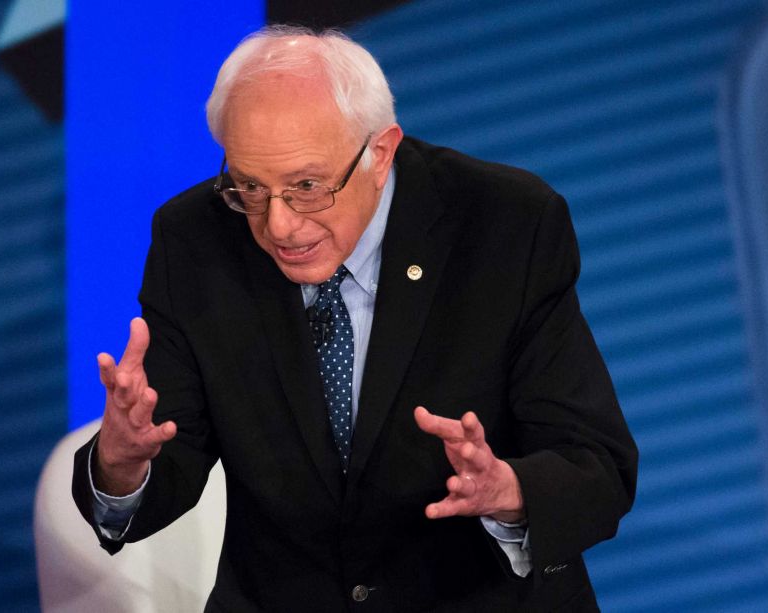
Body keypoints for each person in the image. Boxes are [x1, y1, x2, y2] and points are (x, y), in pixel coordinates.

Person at [72, 25, 637, 612]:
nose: (279, 226)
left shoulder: (506, 226)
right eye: (250, 187)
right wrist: (121, 461)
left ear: (381, 152)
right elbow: (171, 462)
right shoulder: (193, 241)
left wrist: (509, 492)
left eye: (308, 186)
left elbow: (597, 467)